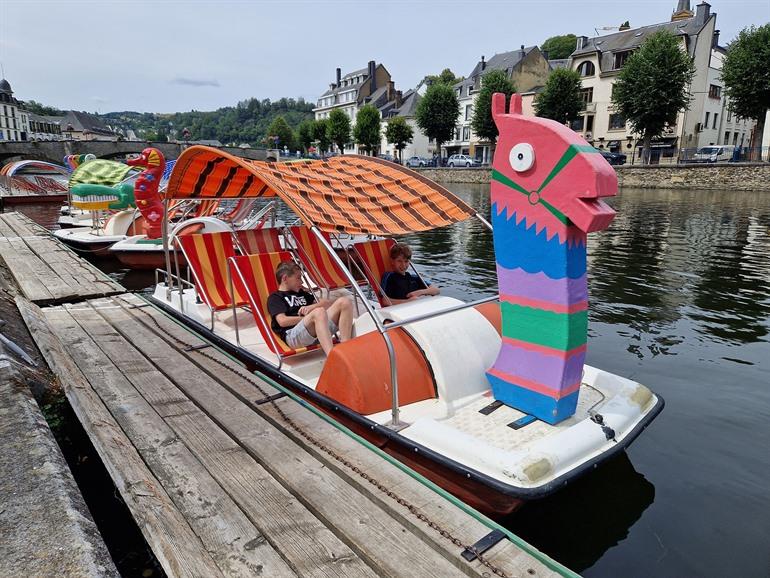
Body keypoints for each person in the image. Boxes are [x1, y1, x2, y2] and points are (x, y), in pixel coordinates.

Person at [267, 261, 353, 355]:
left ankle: (345, 347)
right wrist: (310, 318)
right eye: (298, 278)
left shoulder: (301, 293)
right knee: (319, 312)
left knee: (344, 302)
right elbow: (282, 321)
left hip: (318, 330)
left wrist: (311, 307)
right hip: (293, 336)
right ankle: (331, 355)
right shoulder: (276, 297)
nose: (302, 282)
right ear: (285, 278)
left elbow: (326, 303)